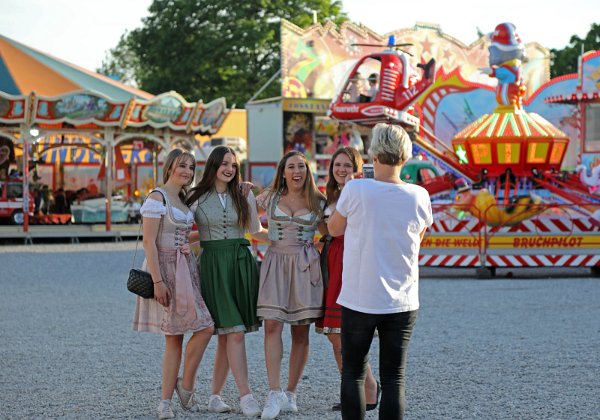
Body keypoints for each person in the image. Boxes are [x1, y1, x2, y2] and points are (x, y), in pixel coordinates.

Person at [328, 123, 433, 420]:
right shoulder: (419, 195)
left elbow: (334, 229)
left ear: (373, 153)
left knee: (353, 373)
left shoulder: (356, 188)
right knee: (394, 377)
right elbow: (419, 238)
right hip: (402, 299)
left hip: (359, 296)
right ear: (406, 156)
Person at [185, 145, 268, 417]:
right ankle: (246, 396)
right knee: (234, 332)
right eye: (224, 163)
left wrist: (288, 237)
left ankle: (215, 396)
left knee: (228, 333)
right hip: (213, 266)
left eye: (233, 164)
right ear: (213, 165)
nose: (229, 168)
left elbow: (255, 230)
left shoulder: (244, 195)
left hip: (240, 264)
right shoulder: (196, 197)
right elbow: (181, 229)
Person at [132, 149, 214, 420]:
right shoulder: (157, 198)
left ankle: (184, 385)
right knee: (174, 338)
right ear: (169, 167)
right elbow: (149, 242)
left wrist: (200, 240)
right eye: (182, 166)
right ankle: (166, 402)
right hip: (165, 270)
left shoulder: (184, 199)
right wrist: (158, 281)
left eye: (191, 167)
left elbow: (183, 235)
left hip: (185, 269)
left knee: (205, 327)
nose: (187, 172)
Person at [255, 150, 326, 419]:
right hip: (275, 262)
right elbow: (245, 216)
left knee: (300, 331)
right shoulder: (270, 197)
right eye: (291, 167)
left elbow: (330, 235)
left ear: (308, 171)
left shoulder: (318, 200)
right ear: (283, 173)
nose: (297, 171)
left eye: (301, 167)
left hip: (304, 267)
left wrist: (312, 249)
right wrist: (269, 237)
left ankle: (291, 393)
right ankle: (274, 392)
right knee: (272, 325)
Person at [315, 147, 379, 412]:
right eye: (337, 165)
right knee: (334, 333)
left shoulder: (364, 192)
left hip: (351, 259)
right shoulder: (328, 195)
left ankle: (366, 388)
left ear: (357, 168)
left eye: (347, 165)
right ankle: (358, 388)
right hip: (332, 260)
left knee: (344, 332)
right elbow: (324, 227)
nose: (341, 169)